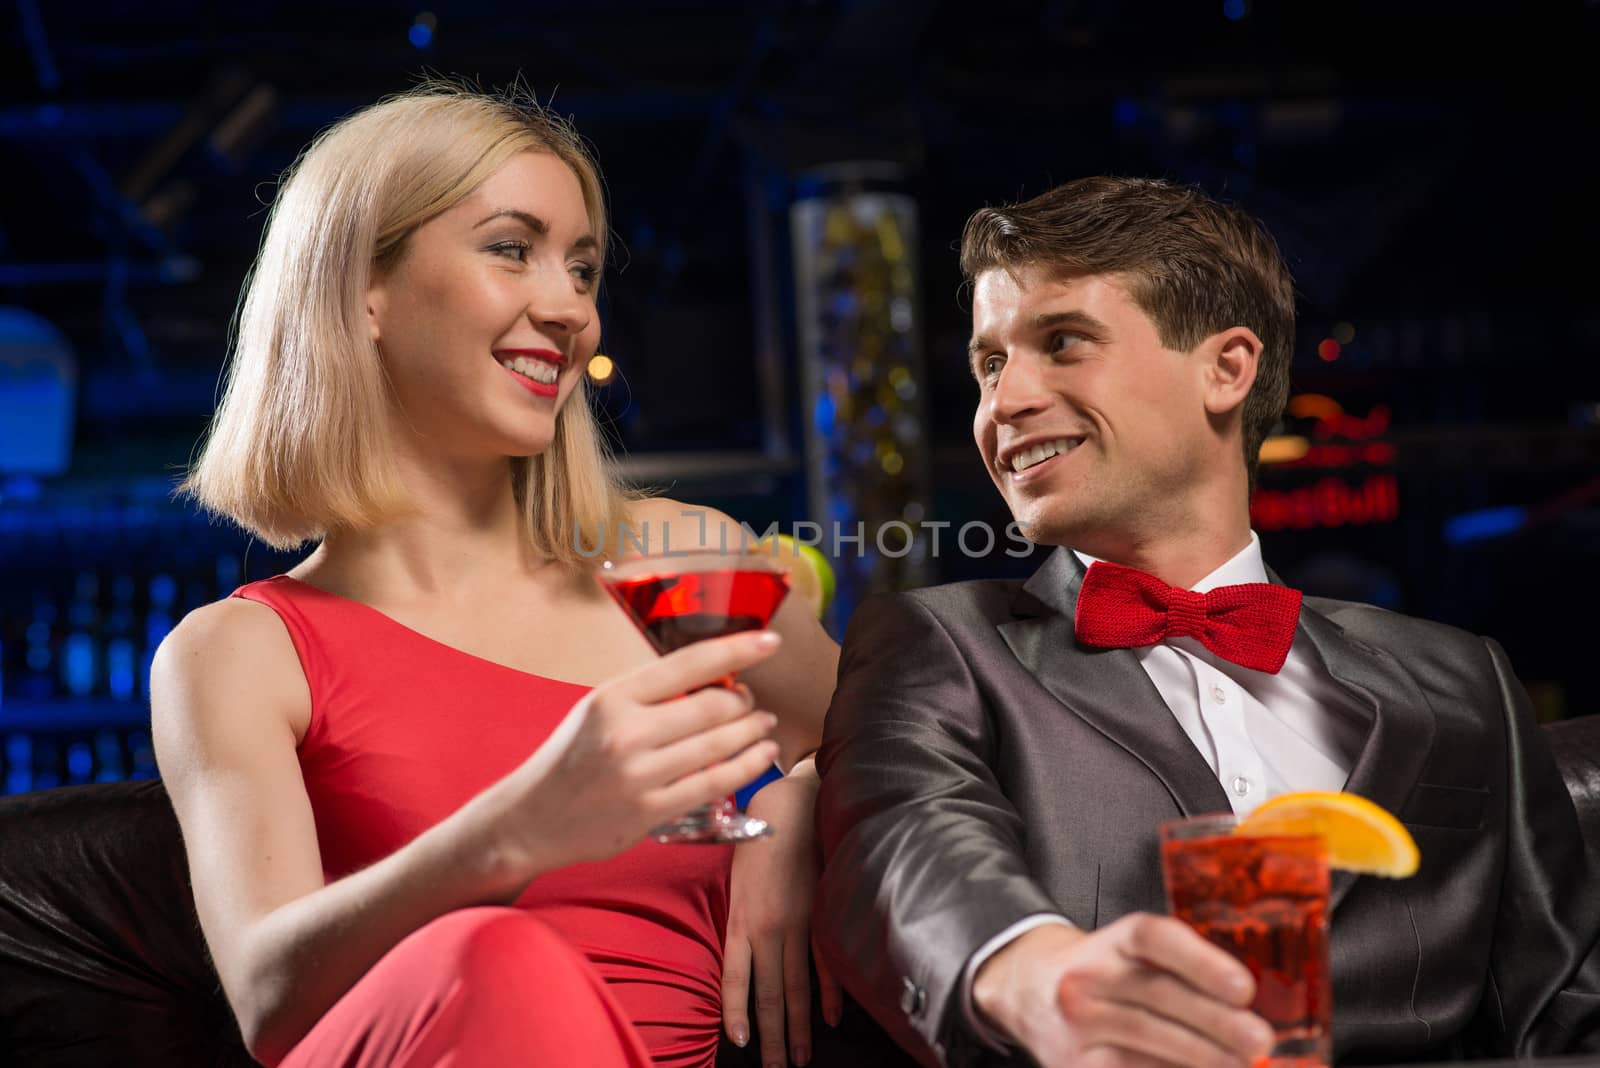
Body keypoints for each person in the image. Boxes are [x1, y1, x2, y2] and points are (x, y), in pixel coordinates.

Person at [812, 176, 1600, 1067]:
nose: (1004, 402)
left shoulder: (1464, 678)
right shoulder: (937, 643)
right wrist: (1037, 975)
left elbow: (1567, 1013)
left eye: (1062, 343)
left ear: (1228, 368)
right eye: (989, 364)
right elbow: (907, 846)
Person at [151, 81, 842, 1068]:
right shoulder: (238, 653)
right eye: (512, 248)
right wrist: (511, 835)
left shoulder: (681, 560)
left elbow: (900, 736)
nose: (568, 310)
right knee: (496, 954)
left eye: (584, 268)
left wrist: (800, 798)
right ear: (362, 294)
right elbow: (269, 999)